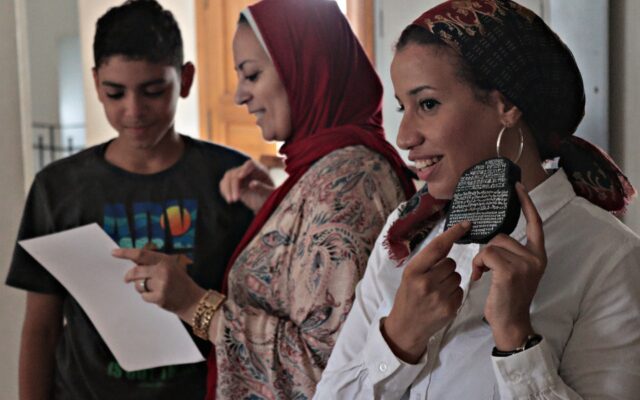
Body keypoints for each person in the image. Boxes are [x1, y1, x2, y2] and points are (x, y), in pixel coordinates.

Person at [314, 0, 640, 398]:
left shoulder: (609, 258)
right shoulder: (407, 234)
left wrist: (516, 340)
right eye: (404, 106)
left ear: (506, 105)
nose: (404, 137)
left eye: (428, 104)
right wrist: (399, 338)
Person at [112, 0, 416, 398]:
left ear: (306, 69)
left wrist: (196, 305)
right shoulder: (325, 169)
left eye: (252, 75)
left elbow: (329, 371)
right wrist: (279, 211)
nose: (239, 95)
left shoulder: (350, 181)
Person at [5, 1, 254, 399]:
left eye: (153, 91)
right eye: (114, 92)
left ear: (185, 80)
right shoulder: (58, 188)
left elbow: (253, 314)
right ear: (95, 82)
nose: (133, 110)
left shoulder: (230, 180)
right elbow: (41, 326)